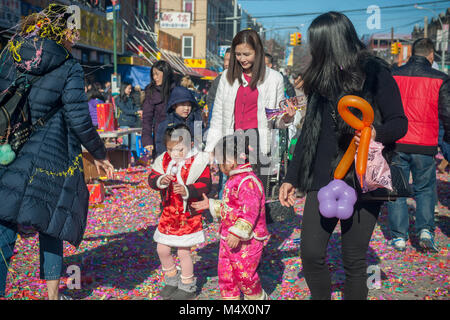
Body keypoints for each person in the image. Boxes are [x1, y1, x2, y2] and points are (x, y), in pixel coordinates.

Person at [279, 12, 408, 300]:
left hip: (364, 176)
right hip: (323, 179)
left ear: (331, 42)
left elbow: (400, 123)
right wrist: (291, 178)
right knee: (311, 254)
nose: (312, 49)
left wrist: (376, 132)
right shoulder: (320, 78)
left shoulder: (376, 73)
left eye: (316, 43)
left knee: (353, 258)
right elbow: (308, 133)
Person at [0, 3, 114, 300]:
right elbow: (78, 117)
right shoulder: (68, 65)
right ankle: (53, 295)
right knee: (52, 221)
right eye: (73, 29)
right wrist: (99, 153)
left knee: (4, 220)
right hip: (52, 153)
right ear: (63, 30)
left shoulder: (11, 53)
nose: (76, 35)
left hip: (9, 148)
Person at [205, 29, 295, 190]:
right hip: (229, 145)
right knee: (229, 193)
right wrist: (211, 148)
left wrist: (287, 118)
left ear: (258, 52)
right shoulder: (226, 77)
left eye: (247, 54)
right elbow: (217, 116)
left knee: (255, 194)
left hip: (258, 147)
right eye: (238, 54)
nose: (242, 59)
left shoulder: (275, 79)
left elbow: (276, 120)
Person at [387, 38, 450, 252]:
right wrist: (447, 139)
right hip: (425, 143)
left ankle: (399, 237)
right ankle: (425, 230)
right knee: (424, 189)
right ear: (431, 55)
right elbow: (447, 113)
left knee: (397, 190)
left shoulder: (394, 75)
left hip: (397, 142)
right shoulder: (441, 78)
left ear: (412, 53)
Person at [191, 133, 269, 300]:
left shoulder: (247, 181)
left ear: (232, 160)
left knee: (245, 275)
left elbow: (250, 211)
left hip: (247, 241)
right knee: (226, 275)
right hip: (228, 237)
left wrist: (236, 232)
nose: (219, 166)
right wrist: (212, 205)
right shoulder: (234, 179)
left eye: (220, 161)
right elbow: (232, 207)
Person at [147, 124, 211, 300]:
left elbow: (206, 184)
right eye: (170, 149)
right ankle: (171, 279)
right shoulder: (164, 160)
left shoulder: (198, 162)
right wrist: (161, 179)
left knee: (183, 252)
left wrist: (188, 190)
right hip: (168, 213)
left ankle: (187, 285)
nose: (175, 154)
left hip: (187, 215)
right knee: (162, 249)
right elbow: (151, 178)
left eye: (179, 149)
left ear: (190, 145)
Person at [155, 86, 204, 157]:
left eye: (189, 105)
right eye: (183, 105)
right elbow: (161, 148)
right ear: (174, 105)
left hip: (193, 162)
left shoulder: (196, 123)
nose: (186, 108)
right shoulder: (166, 125)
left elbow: (200, 143)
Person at [142, 60, 176, 159]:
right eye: (153, 75)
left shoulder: (176, 89)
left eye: (157, 74)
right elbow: (147, 118)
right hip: (159, 135)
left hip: (177, 135)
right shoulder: (151, 91)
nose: (155, 78)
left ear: (165, 74)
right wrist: (147, 140)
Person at [115, 82, 142, 160]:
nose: (130, 90)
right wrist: (136, 112)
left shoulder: (131, 98)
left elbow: (135, 108)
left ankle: (136, 159)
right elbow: (125, 110)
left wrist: (139, 111)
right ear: (124, 89)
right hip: (124, 123)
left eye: (131, 89)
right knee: (126, 143)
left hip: (132, 123)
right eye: (129, 88)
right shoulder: (118, 99)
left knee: (133, 144)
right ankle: (125, 160)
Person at [206, 47, 231, 128]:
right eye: (225, 60)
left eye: (229, 60)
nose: (226, 64)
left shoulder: (244, 79)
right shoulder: (219, 80)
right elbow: (211, 99)